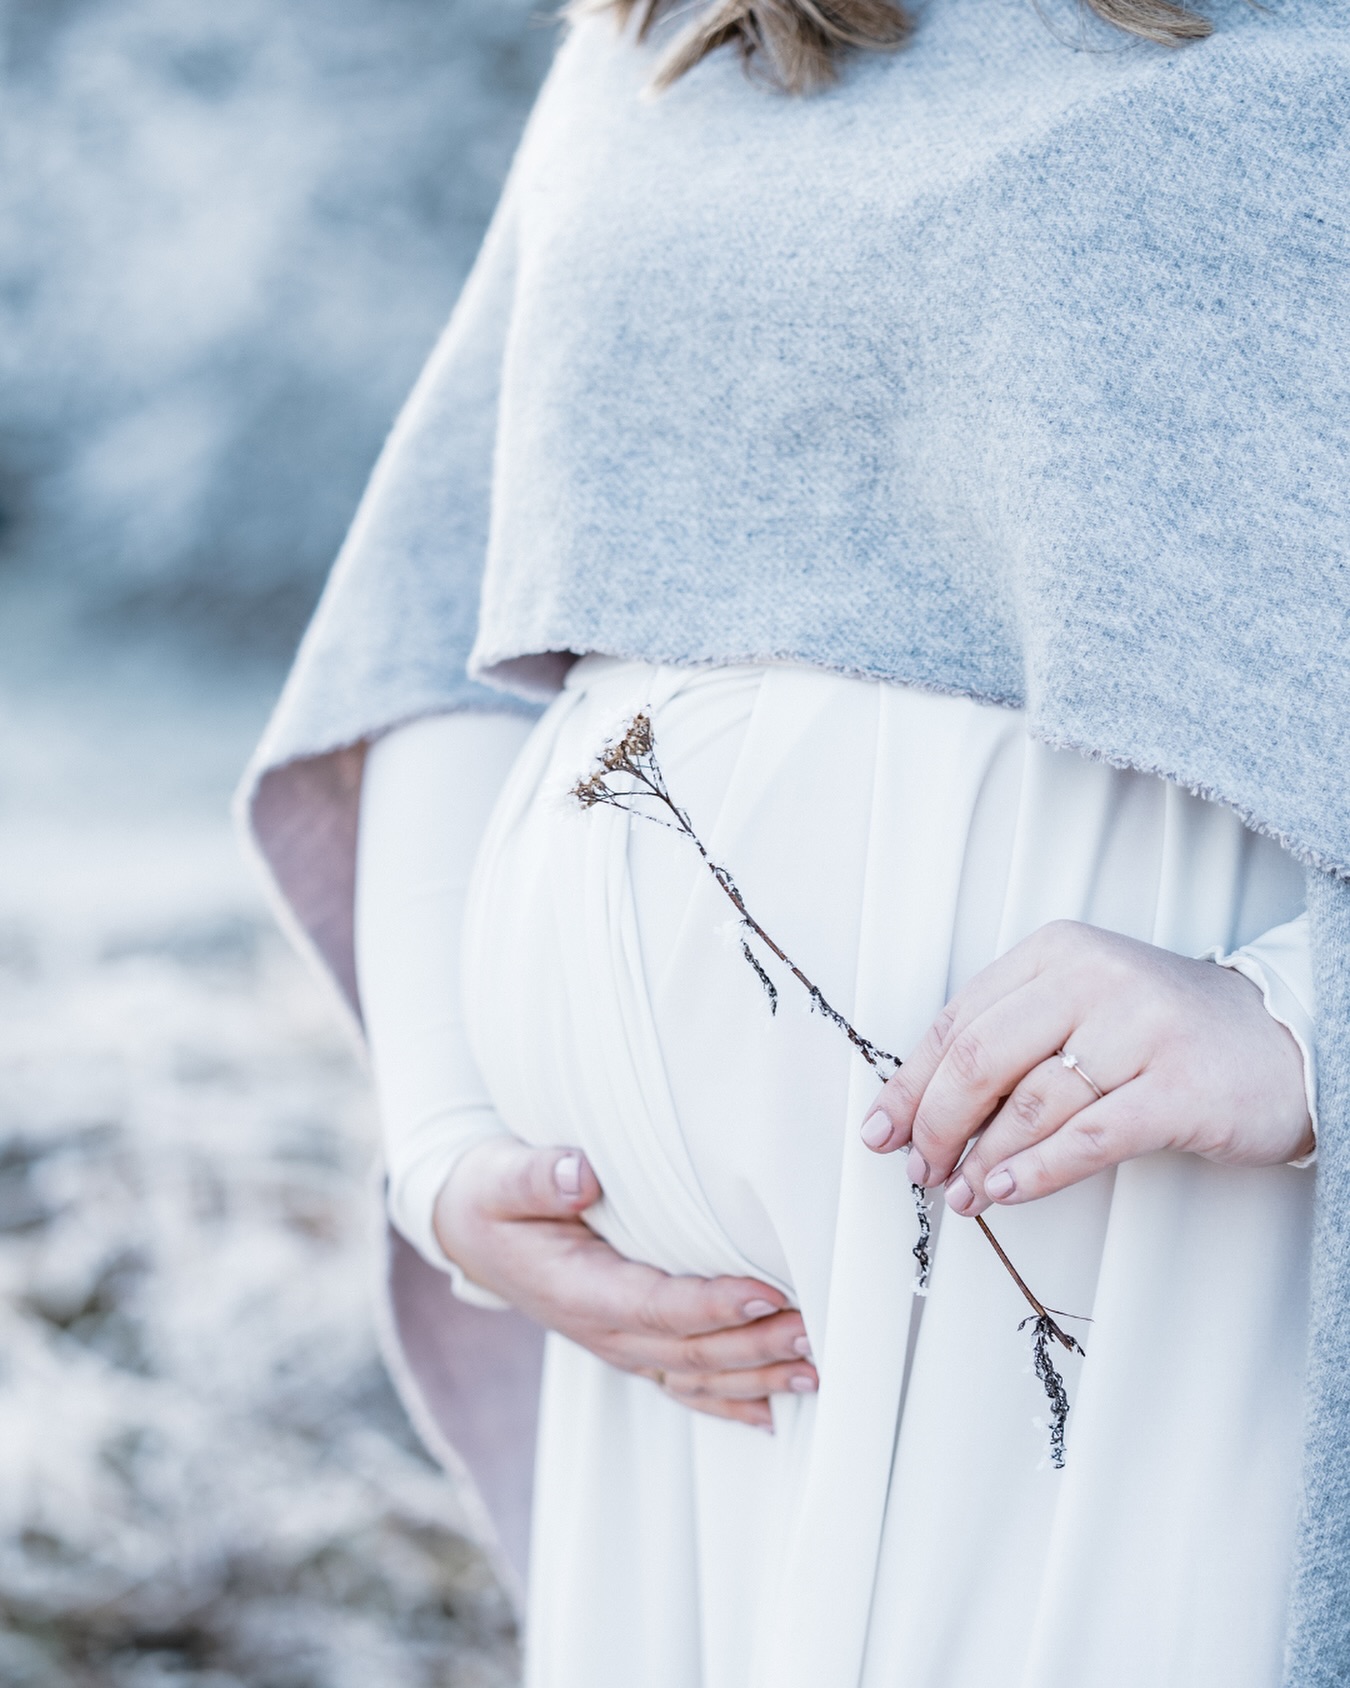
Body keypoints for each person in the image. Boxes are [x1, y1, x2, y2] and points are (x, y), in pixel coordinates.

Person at [239, 0, 1350, 1683]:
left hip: (1144, 1288)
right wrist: (448, 1144)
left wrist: (1296, 1020)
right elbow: (450, 620)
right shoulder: (674, 30)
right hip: (684, 1409)